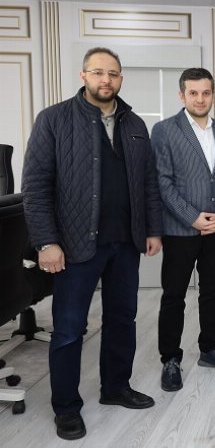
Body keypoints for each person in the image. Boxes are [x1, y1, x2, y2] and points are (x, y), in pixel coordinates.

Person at [22, 47, 162, 440]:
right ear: (83, 75)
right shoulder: (54, 119)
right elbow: (35, 187)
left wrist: (152, 229)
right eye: (98, 72)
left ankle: (115, 387)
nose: (106, 80)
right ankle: (66, 407)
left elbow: (149, 183)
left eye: (113, 73)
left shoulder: (134, 123)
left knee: (122, 319)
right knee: (69, 328)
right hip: (74, 244)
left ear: (121, 78)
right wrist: (46, 242)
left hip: (126, 242)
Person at [151, 68, 215, 392]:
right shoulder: (164, 130)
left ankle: (210, 349)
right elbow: (162, 182)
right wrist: (192, 217)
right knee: (174, 296)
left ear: (213, 94)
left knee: (212, 292)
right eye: (193, 93)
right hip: (180, 230)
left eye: (206, 93)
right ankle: (170, 359)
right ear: (182, 95)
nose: (200, 99)